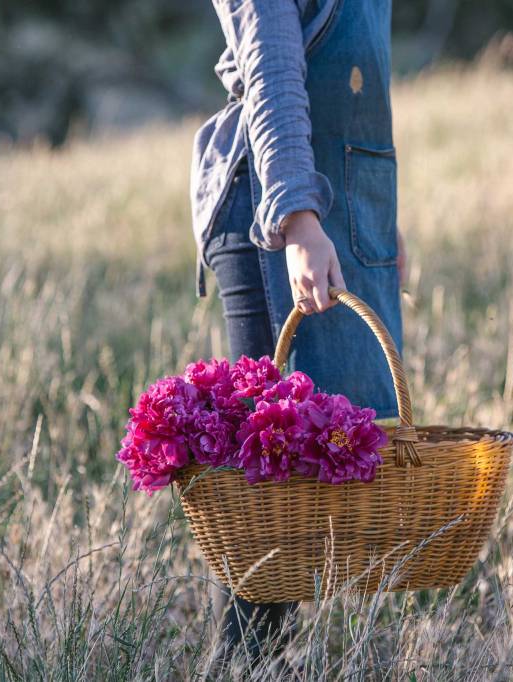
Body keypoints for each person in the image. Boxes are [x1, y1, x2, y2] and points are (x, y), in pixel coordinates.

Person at [190, 0, 407, 662]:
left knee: (299, 473)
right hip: (274, 203)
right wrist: (297, 221)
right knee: (270, 484)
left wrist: (378, 217)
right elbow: (273, 66)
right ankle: (248, 666)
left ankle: (269, 660)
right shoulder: (292, 217)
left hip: (340, 197)